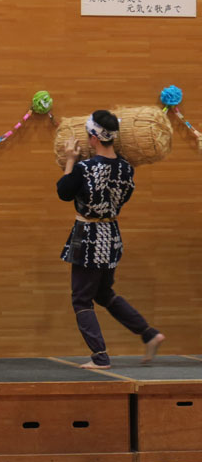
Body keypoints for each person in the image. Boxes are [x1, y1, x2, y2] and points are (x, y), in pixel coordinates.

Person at [58, 110, 165, 369]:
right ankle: (149, 334)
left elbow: (63, 192)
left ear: (93, 138)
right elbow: (124, 198)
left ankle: (100, 356)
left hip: (88, 238)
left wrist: (70, 160)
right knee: (103, 293)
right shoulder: (127, 169)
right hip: (111, 235)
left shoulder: (85, 168)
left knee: (81, 299)